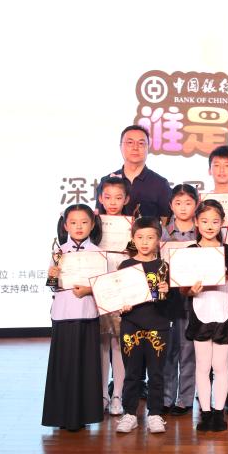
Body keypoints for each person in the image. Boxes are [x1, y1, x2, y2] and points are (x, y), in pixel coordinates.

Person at [42, 204, 104, 432]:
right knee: (63, 367)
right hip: (63, 314)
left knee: (85, 367)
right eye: (73, 222)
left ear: (92, 225)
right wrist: (52, 276)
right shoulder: (59, 252)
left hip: (87, 314)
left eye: (84, 222)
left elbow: (104, 286)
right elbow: (52, 286)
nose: (79, 227)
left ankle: (83, 415)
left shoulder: (98, 253)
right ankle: (62, 415)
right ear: (65, 225)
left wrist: (89, 289)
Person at [183, 200, 228, 432]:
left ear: (222, 223)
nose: (209, 226)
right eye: (205, 221)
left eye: (215, 221)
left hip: (224, 311)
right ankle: (205, 413)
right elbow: (184, 289)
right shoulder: (190, 251)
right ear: (196, 222)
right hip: (200, 311)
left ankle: (219, 413)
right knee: (202, 366)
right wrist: (191, 290)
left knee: (220, 366)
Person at [114, 217, 172, 434]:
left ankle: (155, 414)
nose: (145, 242)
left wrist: (167, 291)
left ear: (158, 240)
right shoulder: (126, 266)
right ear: (133, 239)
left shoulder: (164, 266)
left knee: (156, 372)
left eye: (150, 237)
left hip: (158, 325)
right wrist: (122, 305)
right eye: (140, 237)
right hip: (131, 324)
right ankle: (129, 414)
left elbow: (172, 301)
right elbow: (117, 296)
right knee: (132, 372)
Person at [161, 184, 199, 416]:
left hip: (193, 299)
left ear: (196, 204)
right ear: (170, 205)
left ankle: (185, 398)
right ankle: (166, 397)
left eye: (188, 203)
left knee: (188, 350)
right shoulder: (162, 233)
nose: (183, 208)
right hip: (168, 298)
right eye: (178, 203)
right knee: (167, 350)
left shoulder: (202, 232)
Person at [95, 178, 131, 416]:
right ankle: (101, 395)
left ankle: (118, 393)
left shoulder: (131, 225)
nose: (113, 202)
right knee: (101, 344)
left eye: (118, 197)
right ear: (100, 198)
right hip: (98, 287)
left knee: (119, 344)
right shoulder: (94, 223)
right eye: (107, 197)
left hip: (122, 287)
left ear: (126, 199)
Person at [96, 125, 170, 222]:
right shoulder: (106, 181)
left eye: (141, 143)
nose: (135, 147)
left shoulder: (160, 183)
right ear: (120, 147)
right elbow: (99, 217)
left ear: (148, 147)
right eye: (130, 143)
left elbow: (166, 221)